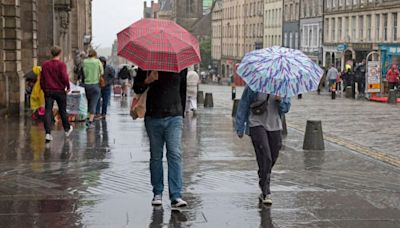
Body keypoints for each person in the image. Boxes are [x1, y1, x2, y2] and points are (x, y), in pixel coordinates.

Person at [133, 68, 188, 210]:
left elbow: (183, 89)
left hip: (174, 116)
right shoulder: (146, 66)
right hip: (153, 115)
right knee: (156, 156)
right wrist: (148, 80)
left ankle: (175, 195)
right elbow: (137, 87)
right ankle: (157, 193)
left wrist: (181, 113)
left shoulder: (179, 66)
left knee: (174, 153)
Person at [235, 86, 285, 205]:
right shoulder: (254, 85)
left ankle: (263, 177)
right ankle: (266, 191)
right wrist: (240, 127)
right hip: (256, 124)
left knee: (273, 156)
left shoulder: (282, 87)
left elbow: (286, 108)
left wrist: (280, 101)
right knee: (265, 155)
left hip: (275, 126)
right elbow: (244, 104)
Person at [40, 46, 73, 142]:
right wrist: (68, 86)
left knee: (48, 111)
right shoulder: (61, 65)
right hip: (60, 90)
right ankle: (67, 129)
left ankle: (48, 133)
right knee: (62, 110)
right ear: (60, 53)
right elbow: (64, 77)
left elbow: (42, 78)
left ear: (51, 53)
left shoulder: (45, 64)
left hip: (48, 90)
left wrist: (43, 88)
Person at [83, 49, 103, 128]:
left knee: (89, 102)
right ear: (95, 54)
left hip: (87, 84)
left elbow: (83, 72)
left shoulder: (84, 62)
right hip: (95, 84)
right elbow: (102, 72)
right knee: (94, 103)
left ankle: (88, 118)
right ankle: (90, 122)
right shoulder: (98, 62)